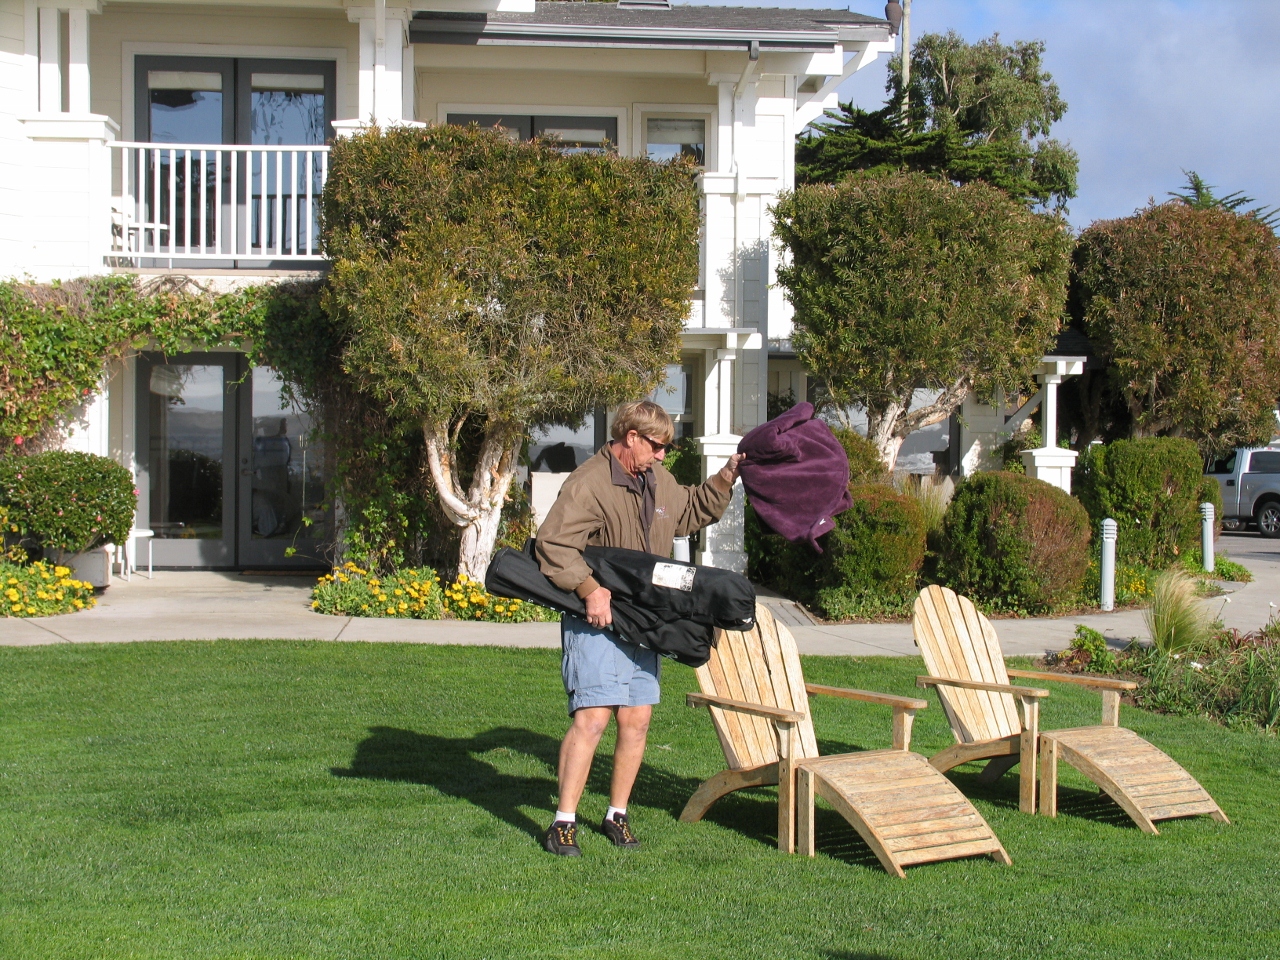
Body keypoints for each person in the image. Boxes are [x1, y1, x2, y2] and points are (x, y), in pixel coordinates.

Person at [535, 400, 743, 856]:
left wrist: (726, 475)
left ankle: (616, 815)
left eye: (667, 447)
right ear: (630, 437)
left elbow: (689, 510)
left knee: (637, 720)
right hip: (598, 618)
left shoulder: (657, 480)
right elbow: (552, 544)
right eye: (657, 446)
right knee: (592, 718)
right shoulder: (589, 482)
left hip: (645, 620)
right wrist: (589, 588)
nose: (663, 455)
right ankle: (563, 822)